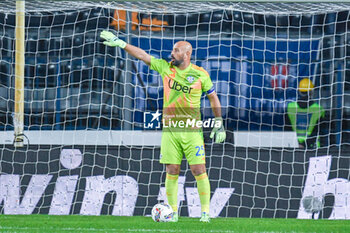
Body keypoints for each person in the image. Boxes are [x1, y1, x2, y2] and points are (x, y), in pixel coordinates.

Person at [100, 30, 226, 222]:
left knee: (199, 170)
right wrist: (121, 43)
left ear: (186, 54)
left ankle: (205, 214)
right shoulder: (165, 68)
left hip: (192, 131)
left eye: (176, 51)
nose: (172, 54)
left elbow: (213, 97)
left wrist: (219, 122)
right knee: (172, 170)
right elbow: (143, 55)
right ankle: (173, 213)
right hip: (170, 132)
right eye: (172, 50)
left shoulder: (200, 74)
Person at [286, 78, 326, 149]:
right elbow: (318, 131)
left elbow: (287, 129)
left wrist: (299, 144)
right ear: (311, 92)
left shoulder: (290, 107)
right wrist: (305, 144)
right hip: (313, 147)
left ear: (299, 91)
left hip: (293, 146)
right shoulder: (318, 109)